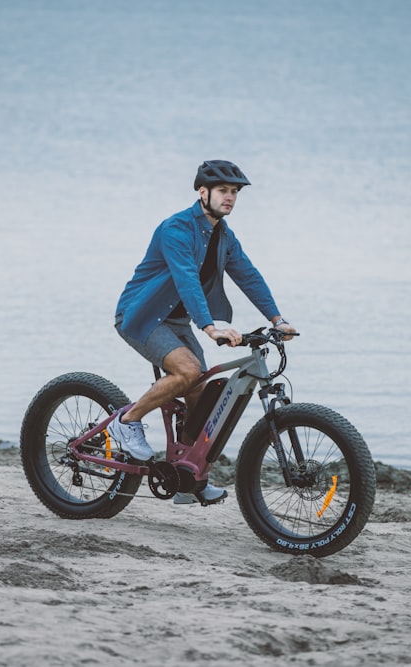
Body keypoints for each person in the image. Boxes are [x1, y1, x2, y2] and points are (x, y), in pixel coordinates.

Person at [109, 159, 297, 505]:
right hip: (143, 316)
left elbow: (248, 275)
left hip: (177, 321)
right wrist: (210, 327)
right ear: (202, 192)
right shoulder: (176, 229)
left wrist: (277, 319)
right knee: (189, 371)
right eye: (224, 191)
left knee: (200, 390)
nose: (230, 198)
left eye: (235, 192)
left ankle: (186, 477)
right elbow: (186, 278)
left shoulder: (224, 236)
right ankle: (127, 421)